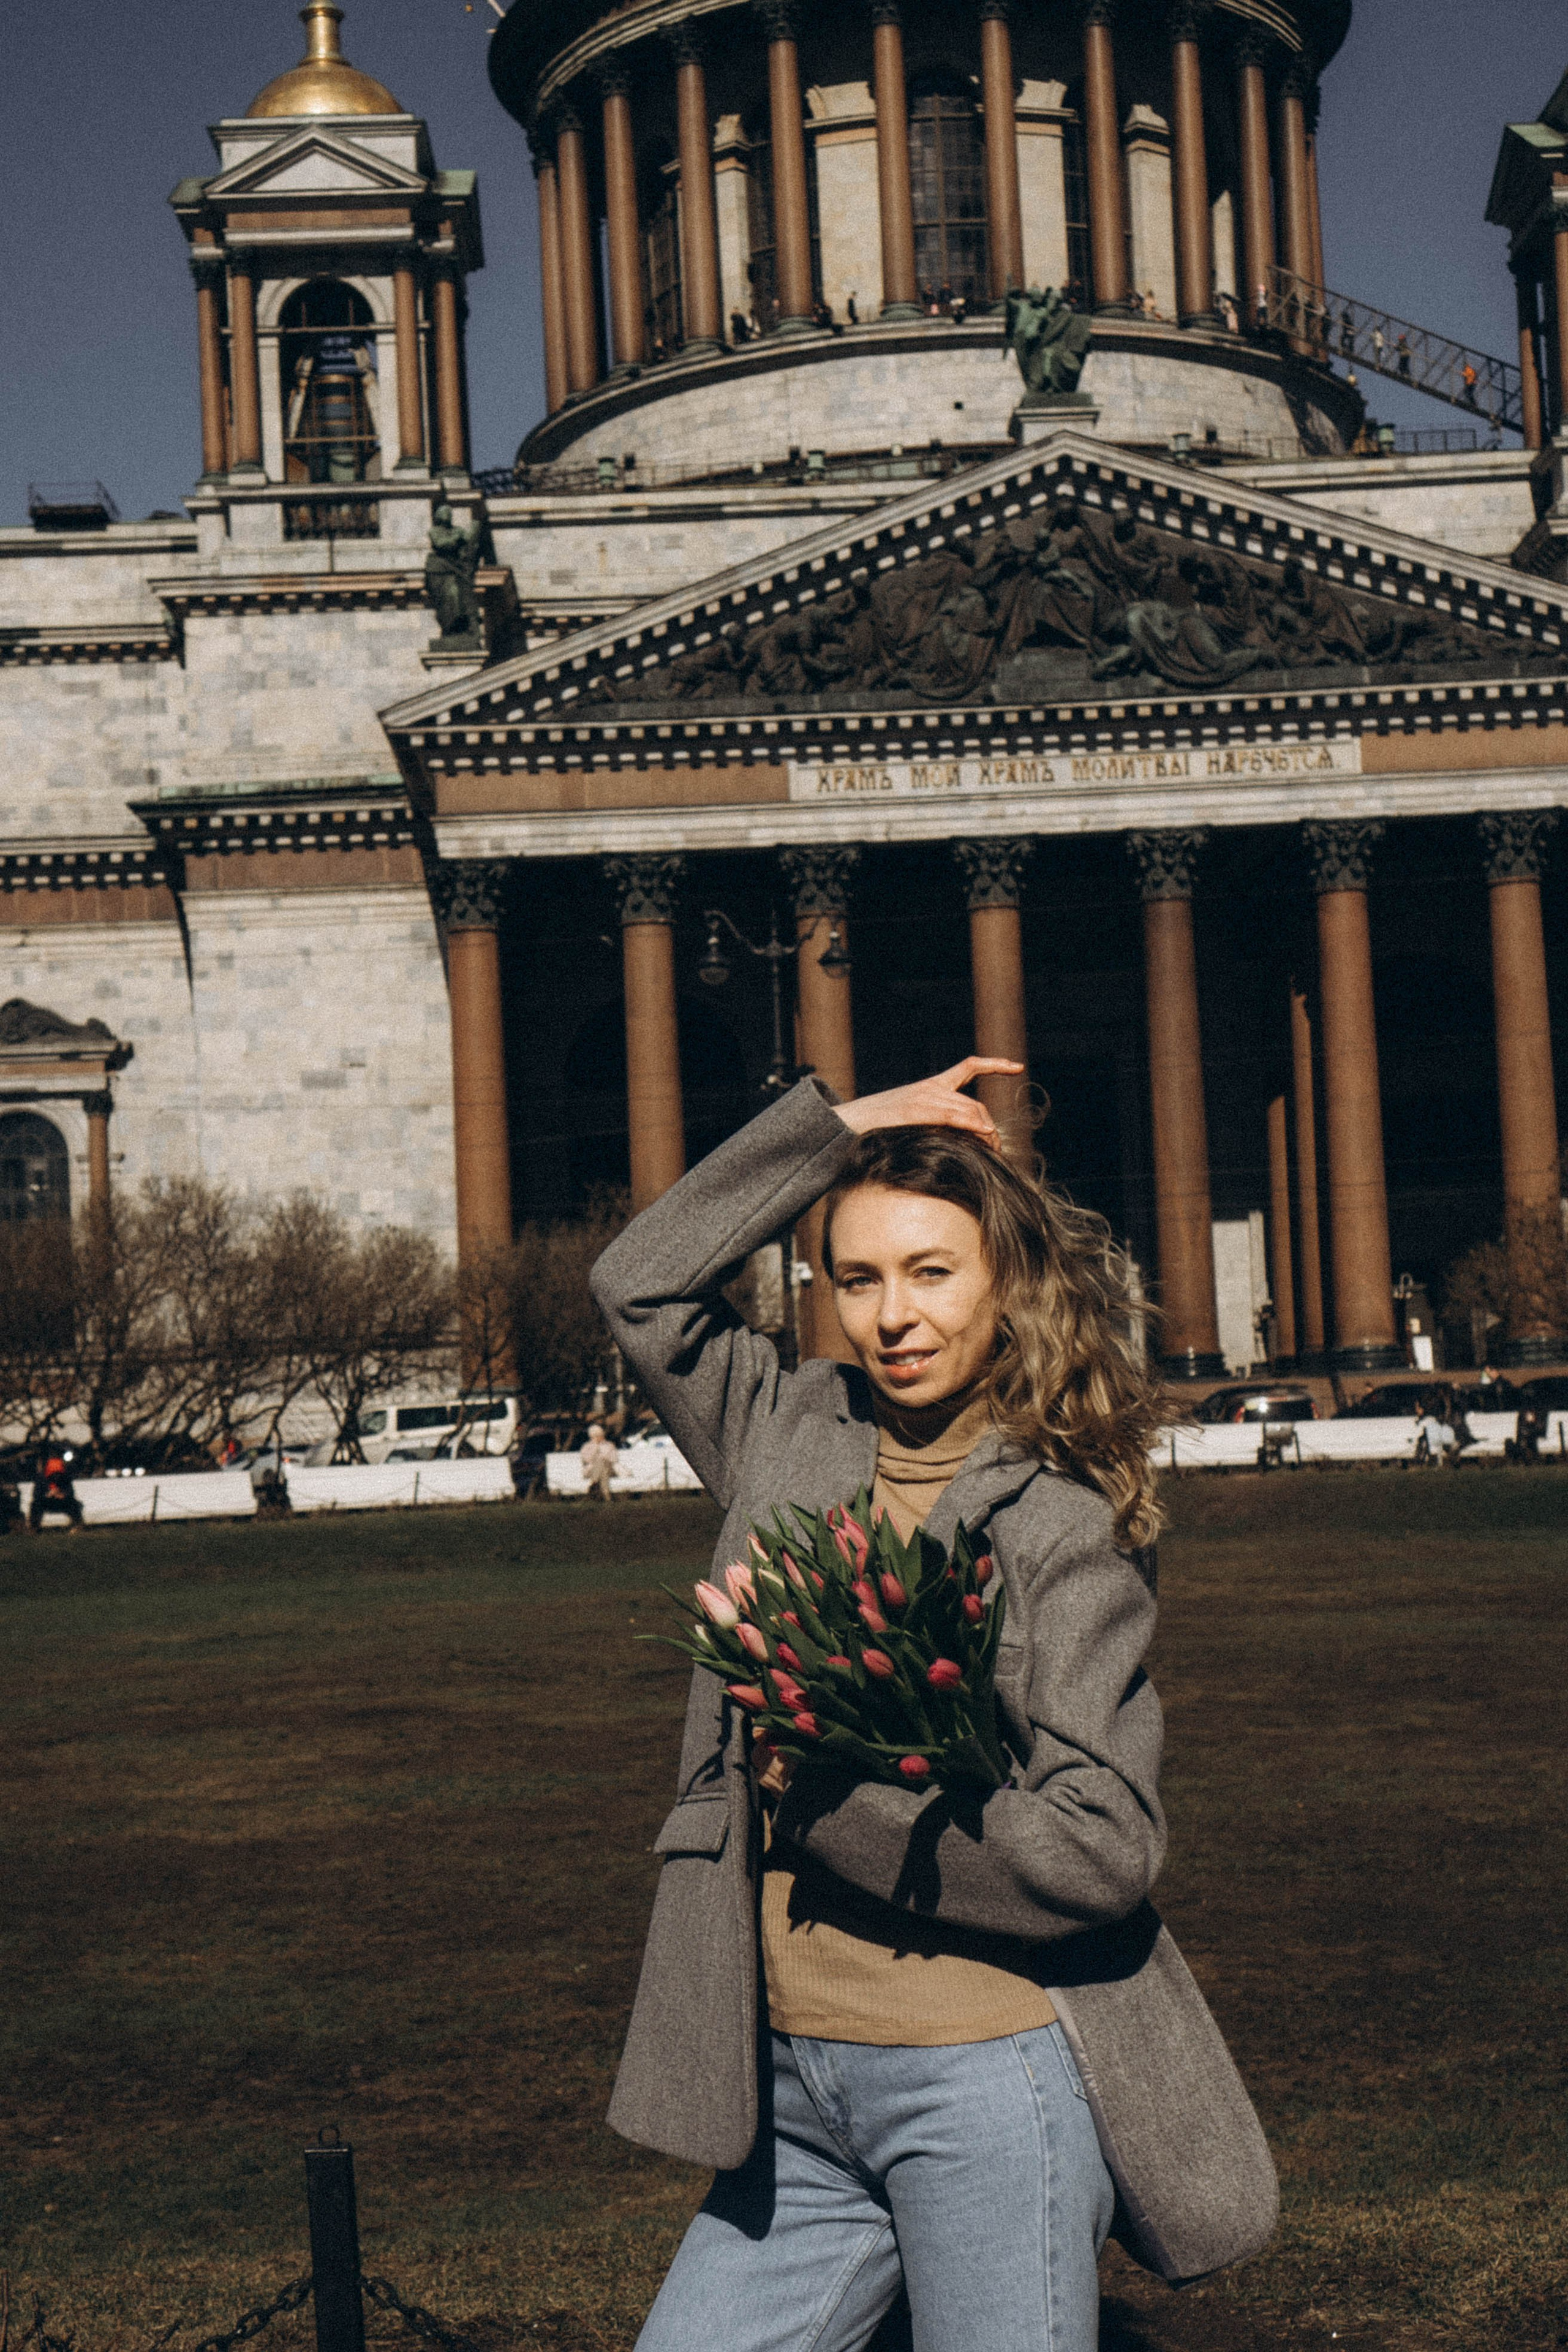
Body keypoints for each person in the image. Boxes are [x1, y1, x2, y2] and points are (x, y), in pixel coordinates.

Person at [594, 1060, 1276, 2352]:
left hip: (984, 2085)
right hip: (791, 2092)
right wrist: (840, 1130)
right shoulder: (788, 1423)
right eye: (857, 1278)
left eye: (930, 1272)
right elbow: (638, 1280)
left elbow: (1100, 1844)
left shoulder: (1066, 1517)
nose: (890, 1317)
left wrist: (823, 1796)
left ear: (1005, 1286)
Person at [29, 1448, 85, 1533]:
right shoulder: (41, 1479)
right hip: (47, 1502)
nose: (56, 1477)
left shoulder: (66, 1479)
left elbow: (71, 1493)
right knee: (35, 1505)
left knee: (75, 1504)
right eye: (54, 1474)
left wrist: (63, 1495)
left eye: (58, 1474)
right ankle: (34, 1528)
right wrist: (48, 1494)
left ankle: (78, 1526)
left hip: (62, 1502)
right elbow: (36, 1495)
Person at [579, 1421, 617, 1502]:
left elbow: (614, 1459)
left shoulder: (609, 1445)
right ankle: (607, 1496)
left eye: (600, 1435)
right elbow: (586, 1460)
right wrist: (596, 1448)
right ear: (592, 1436)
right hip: (591, 1471)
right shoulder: (587, 1447)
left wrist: (605, 1458)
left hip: (609, 1469)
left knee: (602, 1465)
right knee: (601, 1466)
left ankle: (594, 1483)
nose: (599, 1437)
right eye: (596, 1436)